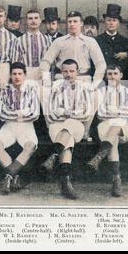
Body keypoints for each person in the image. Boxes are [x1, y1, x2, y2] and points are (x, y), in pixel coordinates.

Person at [40, 10, 106, 139]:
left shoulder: (90, 41)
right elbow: (45, 62)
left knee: (97, 94)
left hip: (83, 79)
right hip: (62, 80)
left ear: (81, 24)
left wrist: (95, 83)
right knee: (43, 92)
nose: (72, 24)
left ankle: (85, 130)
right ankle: (53, 127)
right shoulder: (60, 41)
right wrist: (47, 82)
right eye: (70, 21)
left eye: (75, 21)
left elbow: (101, 64)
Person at [41, 59, 92, 200]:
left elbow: (86, 113)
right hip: (57, 124)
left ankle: (54, 155)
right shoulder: (56, 86)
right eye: (65, 71)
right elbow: (51, 111)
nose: (68, 74)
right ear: (61, 72)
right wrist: (71, 112)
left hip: (77, 125)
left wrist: (66, 113)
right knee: (67, 143)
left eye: (71, 71)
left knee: (69, 125)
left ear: (78, 71)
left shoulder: (84, 87)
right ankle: (65, 180)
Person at [87, 64, 128, 197]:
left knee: (116, 125)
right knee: (112, 142)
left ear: (121, 75)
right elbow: (101, 114)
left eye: (115, 74)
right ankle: (116, 180)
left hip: (124, 127)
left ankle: (99, 157)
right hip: (104, 125)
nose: (112, 77)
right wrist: (120, 112)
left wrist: (115, 113)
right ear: (106, 76)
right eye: (109, 74)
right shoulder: (101, 92)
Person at [0, 62, 39, 194]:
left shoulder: (31, 90)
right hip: (9, 127)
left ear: (25, 75)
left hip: (27, 127)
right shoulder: (5, 91)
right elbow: (2, 113)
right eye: (14, 74)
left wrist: (15, 114)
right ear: (10, 75)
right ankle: (15, 175)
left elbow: (35, 114)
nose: (17, 77)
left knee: (30, 146)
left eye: (20, 74)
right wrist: (23, 112)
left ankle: (8, 176)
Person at [96, 4, 128, 85]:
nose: (111, 23)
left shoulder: (126, 42)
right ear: (104, 22)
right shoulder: (97, 41)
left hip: (122, 82)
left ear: (119, 23)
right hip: (102, 81)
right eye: (109, 20)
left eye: (114, 20)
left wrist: (127, 54)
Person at [16, 9, 51, 80]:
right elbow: (16, 61)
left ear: (40, 20)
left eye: (36, 18)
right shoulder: (19, 40)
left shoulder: (47, 40)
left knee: (43, 91)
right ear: (26, 21)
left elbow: (51, 62)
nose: (33, 21)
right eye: (30, 18)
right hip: (26, 73)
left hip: (43, 73)